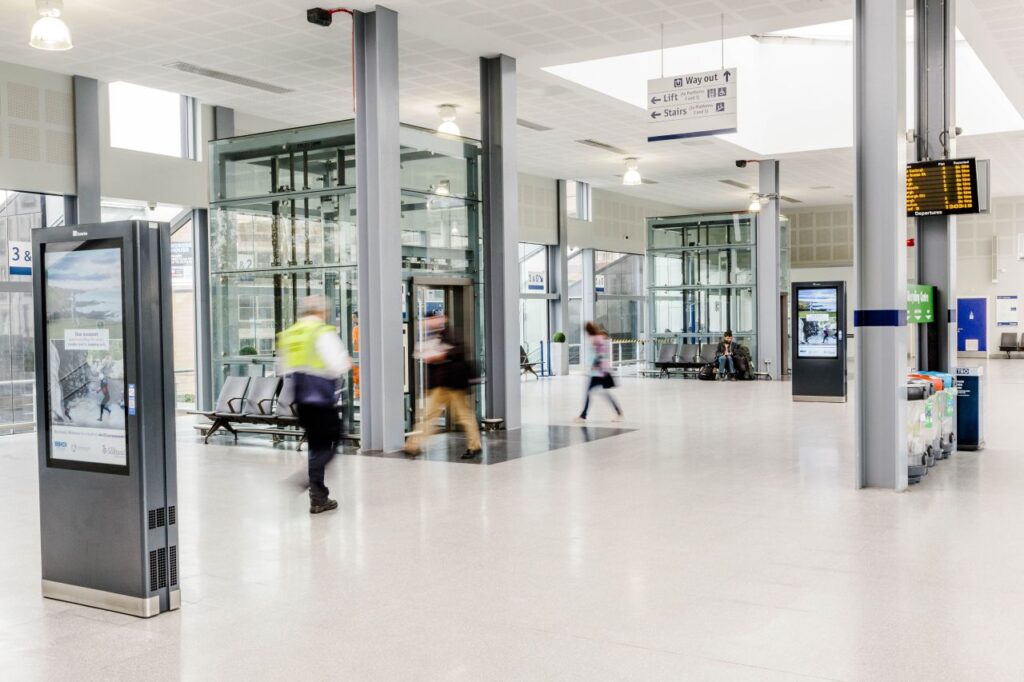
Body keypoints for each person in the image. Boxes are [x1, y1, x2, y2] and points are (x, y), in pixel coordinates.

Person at [277, 295, 352, 514]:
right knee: (336, 440)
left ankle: (318, 497)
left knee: (316, 446)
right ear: (321, 311)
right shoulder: (321, 332)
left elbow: (281, 369)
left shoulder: (289, 334)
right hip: (322, 400)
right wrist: (345, 363)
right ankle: (306, 481)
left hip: (301, 401)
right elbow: (338, 364)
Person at [404, 312, 482, 460]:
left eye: (432, 319)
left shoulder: (449, 333)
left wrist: (443, 355)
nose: (428, 322)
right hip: (439, 385)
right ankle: (413, 446)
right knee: (428, 416)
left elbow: (461, 350)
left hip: (454, 384)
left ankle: (475, 445)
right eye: (427, 320)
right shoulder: (428, 337)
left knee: (463, 416)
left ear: (441, 319)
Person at [576, 322, 623, 422]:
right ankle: (619, 412)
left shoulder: (595, 339)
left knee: (590, 392)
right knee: (603, 393)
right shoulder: (599, 337)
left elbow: (599, 354)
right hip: (601, 371)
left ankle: (583, 415)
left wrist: (594, 365)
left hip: (598, 372)